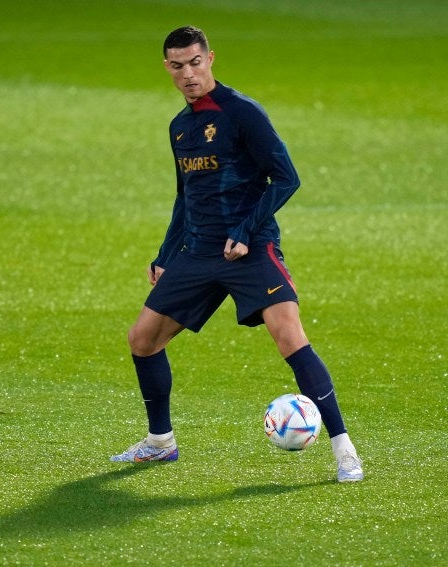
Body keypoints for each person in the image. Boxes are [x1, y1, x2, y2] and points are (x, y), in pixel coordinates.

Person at [110, 26, 363, 482]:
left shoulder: (242, 112)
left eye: (195, 62)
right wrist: (166, 252)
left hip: (250, 249)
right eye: (177, 66)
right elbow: (185, 196)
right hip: (199, 251)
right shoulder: (180, 127)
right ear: (167, 68)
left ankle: (345, 450)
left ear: (210, 59)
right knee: (142, 339)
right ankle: (160, 443)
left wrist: (247, 231)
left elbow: (285, 177)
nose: (188, 74)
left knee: (289, 336)